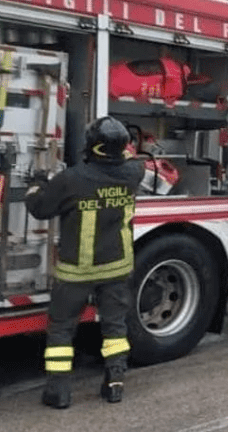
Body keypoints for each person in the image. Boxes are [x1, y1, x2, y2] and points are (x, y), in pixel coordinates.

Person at [26, 116, 145, 409]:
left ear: (92, 147)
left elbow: (40, 208)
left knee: (62, 330)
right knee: (115, 328)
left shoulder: (71, 180)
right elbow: (130, 156)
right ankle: (114, 384)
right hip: (117, 268)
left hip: (76, 272)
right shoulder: (133, 172)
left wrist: (37, 183)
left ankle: (59, 392)